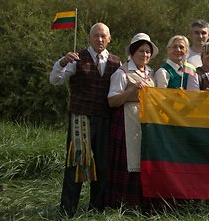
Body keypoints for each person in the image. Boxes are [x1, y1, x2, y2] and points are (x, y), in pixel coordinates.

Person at [49, 23, 121, 217]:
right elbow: (54, 80)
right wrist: (62, 62)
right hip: (80, 119)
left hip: (105, 119)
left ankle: (97, 208)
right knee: (76, 163)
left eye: (103, 36)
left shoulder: (116, 62)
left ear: (109, 38)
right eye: (96, 36)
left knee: (103, 165)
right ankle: (67, 210)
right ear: (89, 38)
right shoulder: (76, 59)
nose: (99, 39)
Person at [105, 33, 158, 210]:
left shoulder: (151, 73)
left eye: (148, 52)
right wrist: (131, 90)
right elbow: (112, 101)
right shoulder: (122, 73)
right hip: (126, 120)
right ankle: (124, 202)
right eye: (141, 51)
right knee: (128, 161)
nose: (145, 55)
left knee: (143, 159)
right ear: (133, 52)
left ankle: (143, 203)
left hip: (145, 121)